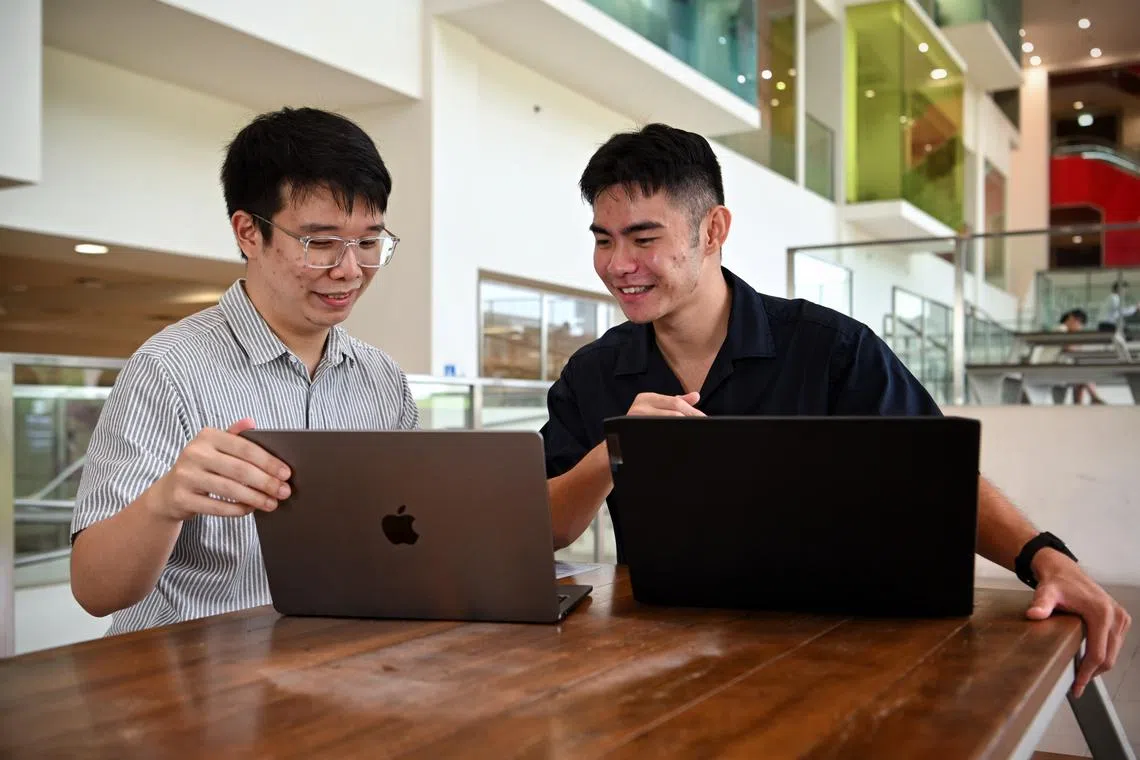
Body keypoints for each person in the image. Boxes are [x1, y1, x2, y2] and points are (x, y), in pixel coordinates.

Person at [541, 123, 1130, 698]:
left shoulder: (829, 348)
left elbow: (934, 476)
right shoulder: (592, 373)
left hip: (835, 651)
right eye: (603, 239)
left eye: (643, 239)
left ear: (713, 230)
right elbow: (551, 526)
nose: (618, 264)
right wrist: (614, 450)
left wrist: (1043, 557)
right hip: (657, 660)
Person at [70, 108, 420, 635]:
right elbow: (95, 592)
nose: (349, 270)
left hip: (336, 669)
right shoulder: (169, 369)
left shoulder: (381, 379)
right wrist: (164, 502)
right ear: (248, 233)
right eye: (320, 243)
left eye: (369, 242)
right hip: (191, 684)